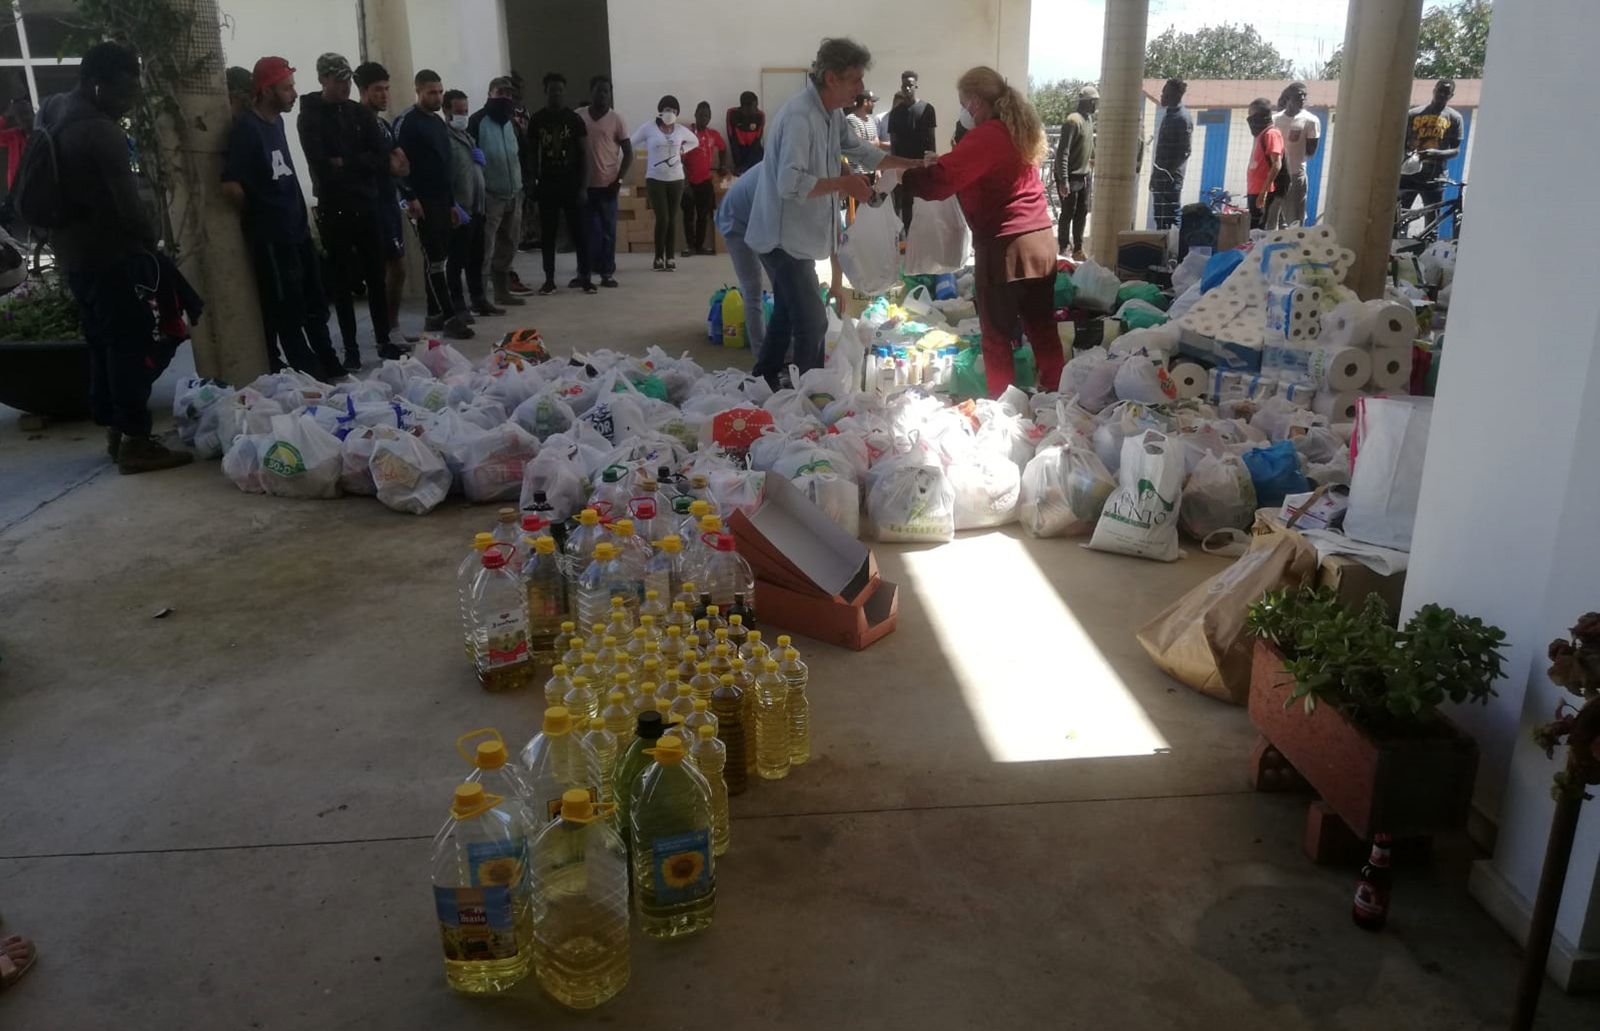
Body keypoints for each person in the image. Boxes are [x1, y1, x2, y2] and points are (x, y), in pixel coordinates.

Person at [49, 41, 192, 472]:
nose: (130, 100)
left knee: (103, 344)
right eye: (126, 90)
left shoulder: (55, 110)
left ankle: (116, 429)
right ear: (99, 84)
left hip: (73, 255)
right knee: (133, 345)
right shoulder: (101, 131)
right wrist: (153, 243)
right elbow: (130, 209)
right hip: (112, 258)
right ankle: (135, 439)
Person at [744, 38, 918, 388]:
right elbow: (789, 184)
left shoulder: (831, 114)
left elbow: (859, 151)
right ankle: (810, 396)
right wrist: (843, 183)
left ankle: (763, 381)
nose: (861, 88)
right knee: (812, 322)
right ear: (831, 78)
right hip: (780, 237)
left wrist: (911, 164)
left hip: (800, 235)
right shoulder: (800, 117)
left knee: (787, 313)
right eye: (854, 79)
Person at [902, 67, 1060, 397]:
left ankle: (1001, 410)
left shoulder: (989, 135)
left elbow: (944, 179)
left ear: (974, 102)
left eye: (962, 103)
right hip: (1041, 243)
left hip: (1008, 249)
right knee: (1043, 329)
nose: (962, 111)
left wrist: (906, 178)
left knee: (997, 336)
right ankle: (1056, 398)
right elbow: (971, 167)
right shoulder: (1019, 133)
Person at [223, 56, 345, 380]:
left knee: (315, 302)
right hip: (273, 237)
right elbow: (231, 184)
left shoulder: (277, 123)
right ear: (265, 90)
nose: (293, 93)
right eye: (286, 87)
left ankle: (328, 361)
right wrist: (260, 210)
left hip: (297, 229)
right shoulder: (246, 129)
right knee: (286, 308)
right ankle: (308, 373)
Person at [297, 52, 396, 369]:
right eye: (338, 81)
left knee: (376, 276)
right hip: (335, 208)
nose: (344, 87)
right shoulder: (310, 116)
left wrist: (346, 162)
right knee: (342, 283)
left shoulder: (358, 113)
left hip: (366, 204)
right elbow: (322, 165)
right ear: (323, 80)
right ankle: (350, 348)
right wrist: (352, 163)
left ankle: (383, 341)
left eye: (347, 81)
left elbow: (380, 158)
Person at [396, 68, 472, 339]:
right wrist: (410, 196)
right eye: (432, 92)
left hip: (443, 199)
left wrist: (452, 203)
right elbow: (399, 163)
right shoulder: (407, 122)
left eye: (440, 92)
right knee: (435, 259)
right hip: (422, 201)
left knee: (442, 255)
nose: (438, 97)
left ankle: (435, 314)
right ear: (418, 91)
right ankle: (449, 316)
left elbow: (445, 164)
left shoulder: (439, 123)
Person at [354, 61, 416, 343]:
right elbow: (379, 163)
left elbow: (402, 165)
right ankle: (384, 333)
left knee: (398, 266)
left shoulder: (383, 124)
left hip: (389, 202)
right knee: (378, 270)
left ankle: (393, 325)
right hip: (369, 204)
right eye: (378, 90)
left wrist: (393, 166)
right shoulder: (356, 122)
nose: (384, 95)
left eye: (387, 89)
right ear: (364, 90)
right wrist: (386, 163)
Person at [527, 72, 592, 294]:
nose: (556, 93)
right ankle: (549, 279)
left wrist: (583, 187)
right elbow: (531, 154)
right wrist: (532, 183)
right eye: (552, 89)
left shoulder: (574, 120)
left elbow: (584, 154)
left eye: (560, 90)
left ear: (564, 92)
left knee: (579, 232)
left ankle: (585, 276)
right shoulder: (537, 120)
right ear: (546, 91)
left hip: (571, 183)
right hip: (547, 184)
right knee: (548, 234)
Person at [469, 76, 526, 307]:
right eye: (500, 93)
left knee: (509, 244)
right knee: (485, 247)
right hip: (489, 195)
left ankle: (502, 292)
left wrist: (526, 184)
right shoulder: (477, 121)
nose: (505, 98)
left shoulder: (512, 123)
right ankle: (480, 297)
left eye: (509, 94)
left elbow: (521, 154)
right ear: (490, 94)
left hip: (514, 192)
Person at [630, 95, 698, 271]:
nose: (671, 113)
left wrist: (683, 149)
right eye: (668, 110)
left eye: (674, 111)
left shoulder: (681, 130)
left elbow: (695, 141)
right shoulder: (648, 128)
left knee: (672, 219)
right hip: (655, 179)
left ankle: (670, 257)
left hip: (676, 179)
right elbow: (630, 142)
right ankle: (658, 257)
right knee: (663, 218)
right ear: (660, 111)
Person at [443, 88, 494, 321]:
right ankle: (458, 305)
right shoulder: (443, 138)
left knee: (476, 257)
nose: (463, 115)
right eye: (458, 111)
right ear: (446, 111)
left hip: (477, 208)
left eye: (465, 111)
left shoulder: (467, 136)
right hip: (460, 210)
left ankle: (479, 299)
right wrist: (452, 204)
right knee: (457, 262)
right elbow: (443, 176)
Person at [578, 74, 630, 288]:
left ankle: (607, 273)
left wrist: (618, 181)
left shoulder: (617, 119)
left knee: (609, 233)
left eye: (606, 91)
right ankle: (584, 274)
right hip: (584, 187)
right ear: (591, 92)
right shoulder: (578, 117)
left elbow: (628, 153)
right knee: (585, 232)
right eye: (599, 90)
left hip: (608, 186)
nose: (602, 95)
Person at [714, 161, 767, 352]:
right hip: (736, 223)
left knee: (784, 286)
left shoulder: (783, 163)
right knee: (753, 289)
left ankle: (776, 350)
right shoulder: (784, 174)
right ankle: (761, 352)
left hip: (753, 218)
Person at [1399, 78, 1463, 215]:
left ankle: (1429, 238)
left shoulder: (1455, 118)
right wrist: (1409, 156)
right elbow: (1400, 143)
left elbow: (1456, 151)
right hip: (1408, 175)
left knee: (1432, 221)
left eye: (1447, 93)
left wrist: (1436, 153)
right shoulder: (1413, 114)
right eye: (1440, 91)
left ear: (1451, 96)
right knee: (1399, 218)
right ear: (1434, 91)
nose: (1442, 95)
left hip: (1435, 177)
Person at [887, 69, 938, 234]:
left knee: (924, 201)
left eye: (910, 85)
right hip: (903, 166)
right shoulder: (895, 113)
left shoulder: (927, 109)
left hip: (922, 165)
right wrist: (895, 167)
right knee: (905, 204)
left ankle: (924, 235)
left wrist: (932, 163)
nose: (907, 89)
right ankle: (908, 237)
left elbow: (932, 139)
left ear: (916, 85)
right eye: (904, 86)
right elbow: (894, 143)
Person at [1052, 84, 1096, 261]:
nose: (1096, 106)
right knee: (1068, 212)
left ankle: (1078, 248)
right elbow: (1063, 152)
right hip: (1070, 175)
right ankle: (1063, 246)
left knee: (1082, 211)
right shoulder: (1073, 121)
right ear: (1088, 102)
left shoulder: (1089, 120)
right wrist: (1063, 180)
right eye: (1094, 102)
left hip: (1084, 175)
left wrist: (1091, 161)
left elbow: (1088, 146)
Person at [680, 101, 727, 257]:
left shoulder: (713, 134)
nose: (703, 118)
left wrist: (723, 165)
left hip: (706, 182)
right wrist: (685, 183)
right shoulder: (687, 134)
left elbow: (723, 148)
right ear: (695, 115)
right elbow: (679, 159)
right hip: (689, 183)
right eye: (701, 115)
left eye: (706, 115)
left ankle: (699, 246)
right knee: (688, 216)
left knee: (703, 215)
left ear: (710, 118)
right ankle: (689, 246)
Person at [1270, 81, 1319, 227]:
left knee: (1295, 221)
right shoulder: (1274, 120)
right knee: (1270, 220)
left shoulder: (1311, 120)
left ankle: (1296, 247)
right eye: (1299, 95)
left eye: (1305, 95)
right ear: (1288, 97)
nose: (1303, 98)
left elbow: (1311, 151)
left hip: (1295, 175)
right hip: (1274, 176)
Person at [1149, 77, 1191, 231]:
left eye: (1165, 93)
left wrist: (1168, 173)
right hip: (1160, 176)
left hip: (1172, 179)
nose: (1161, 96)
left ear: (1174, 95)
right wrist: (1155, 175)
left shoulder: (1182, 118)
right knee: (1159, 216)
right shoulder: (1169, 115)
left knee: (1172, 217)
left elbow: (1185, 151)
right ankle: (1161, 251)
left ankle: (1174, 251)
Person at [1246, 98, 1284, 231]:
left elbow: (1276, 164)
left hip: (1263, 191)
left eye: (1250, 115)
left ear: (1258, 116)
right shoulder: (1260, 135)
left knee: (1260, 230)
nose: (1249, 119)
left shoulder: (1271, 134)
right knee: (1253, 229)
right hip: (1254, 190)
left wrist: (1263, 193)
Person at [725, 91, 764, 174]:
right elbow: (732, 139)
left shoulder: (760, 115)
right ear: (744, 108)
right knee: (740, 174)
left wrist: (746, 165)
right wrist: (739, 164)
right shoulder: (732, 114)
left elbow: (757, 141)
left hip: (755, 149)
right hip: (739, 149)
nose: (757, 109)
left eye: (757, 105)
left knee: (756, 173)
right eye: (754, 106)